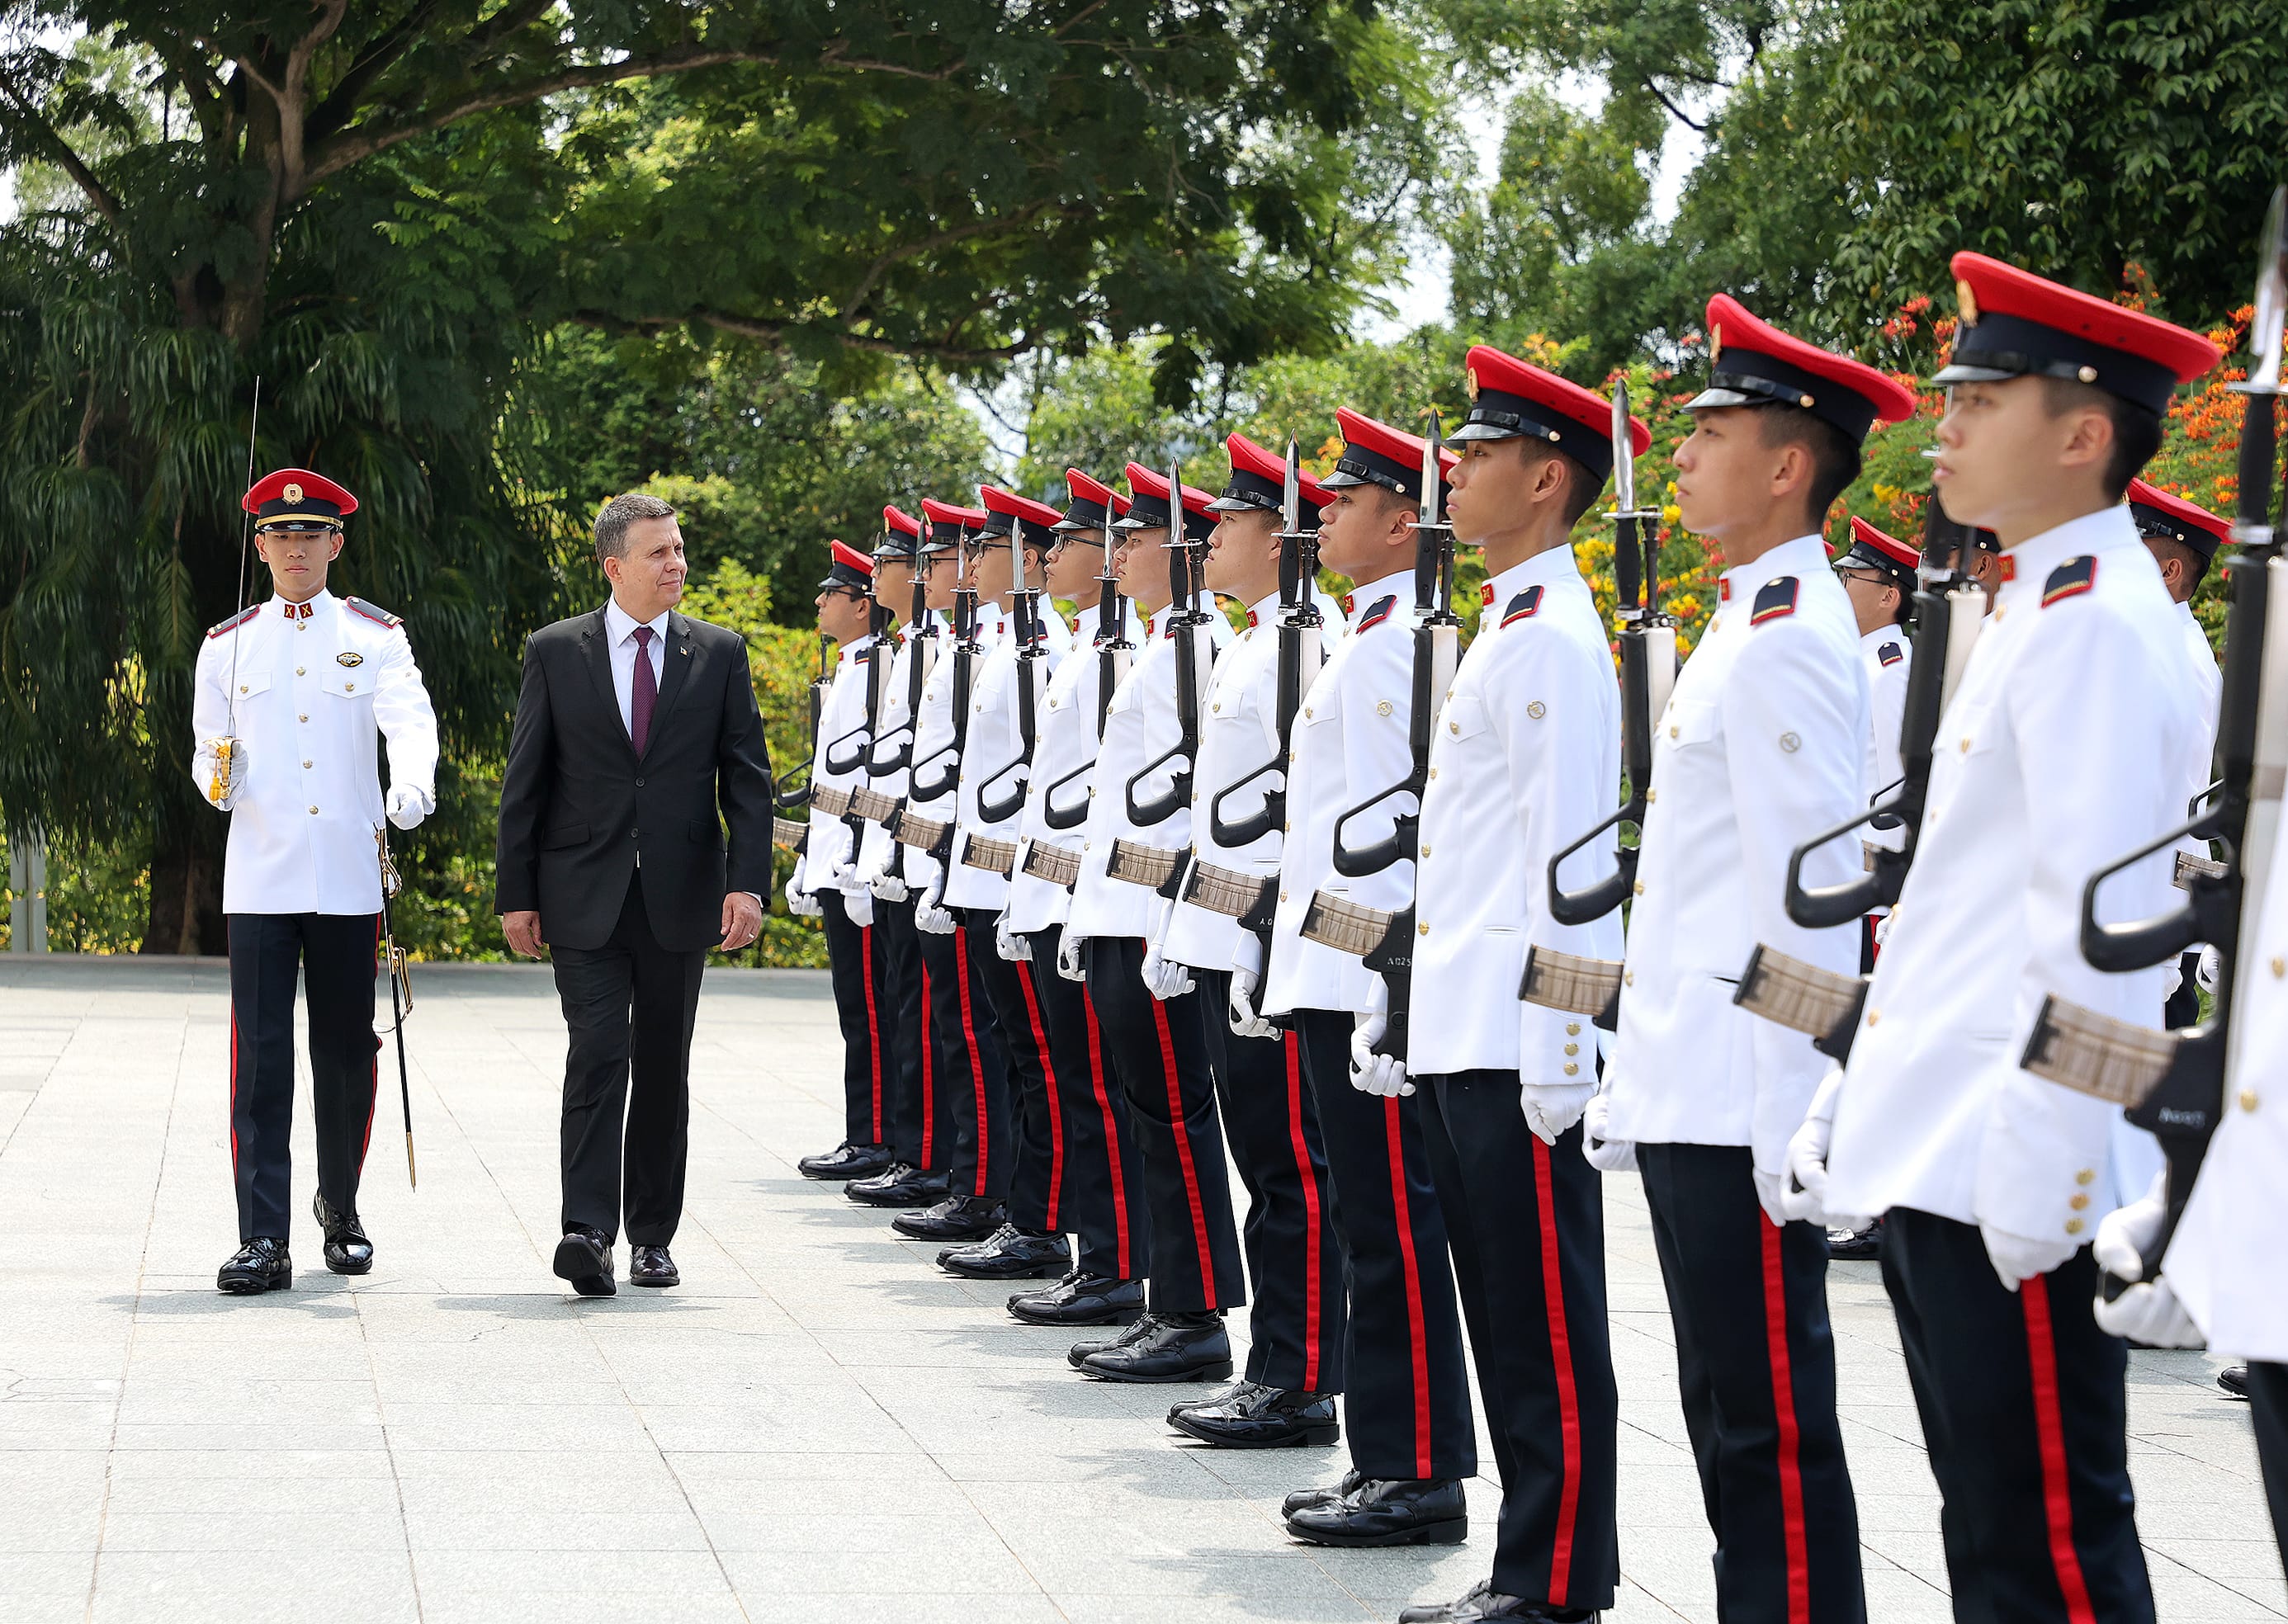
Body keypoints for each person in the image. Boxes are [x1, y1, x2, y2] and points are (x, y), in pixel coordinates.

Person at [1806, 253, 2222, 1622]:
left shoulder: (2099, 626)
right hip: (1947, 1142)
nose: (1946, 425)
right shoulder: (2040, 609)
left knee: (2047, 1539)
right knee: (1992, 1533)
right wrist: (1858, 1094)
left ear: (2081, 434)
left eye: (1980, 400)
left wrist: (2046, 1182)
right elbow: (1960, 908)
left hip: (2009, 1160)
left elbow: (2104, 943)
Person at [1595, 293, 1916, 1622]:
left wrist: (1799, 1098)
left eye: (1712, 429)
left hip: (1746, 1095)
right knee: (1724, 1407)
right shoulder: (1743, 620)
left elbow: (1816, 903)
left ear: (1788, 465)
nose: (1681, 451)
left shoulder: (1790, 640)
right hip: (1692, 1086)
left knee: (1767, 1424)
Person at [1386, 349, 1640, 1624]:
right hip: (1464, 1026)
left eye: (1480, 453)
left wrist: (1562, 1045)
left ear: (1546, 479)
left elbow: (1571, 856)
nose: (1454, 468)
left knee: (1543, 1322)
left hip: (1513, 1037)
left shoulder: (1554, 638)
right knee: (1503, 1309)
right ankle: (1530, 1563)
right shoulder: (1509, 621)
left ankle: (1557, 1578)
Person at [1263, 408, 1478, 1551]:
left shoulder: (1404, 645)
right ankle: (1386, 1452)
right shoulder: (1368, 632)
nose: (1326, 515)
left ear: (1405, 523)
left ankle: (1422, 1467)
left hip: (1367, 978)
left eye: (1345, 500)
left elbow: (1405, 834)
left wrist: (1387, 986)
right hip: (1330, 967)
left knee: (1393, 1229)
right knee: (1364, 1223)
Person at [495, 491, 773, 1296]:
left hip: (682, 898)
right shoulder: (556, 651)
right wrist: (517, 893)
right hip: (582, 893)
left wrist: (747, 886)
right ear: (615, 566)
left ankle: (652, 1235)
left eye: (680, 550)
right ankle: (587, 1230)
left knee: (661, 1065)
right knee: (596, 1054)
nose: (677, 564)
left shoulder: (717, 654)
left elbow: (747, 785)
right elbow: (527, 780)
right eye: (659, 553)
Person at [194, 468, 438, 1293]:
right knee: (259, 1062)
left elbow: (410, 720)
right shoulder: (227, 645)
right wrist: (215, 778)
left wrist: (411, 786)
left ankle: (341, 1207)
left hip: (343, 874)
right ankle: (261, 1238)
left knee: (343, 1052)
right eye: (279, 536)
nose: (294, 549)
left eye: (310, 536)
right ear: (258, 546)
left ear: (336, 543)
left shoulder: (373, 635)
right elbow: (207, 752)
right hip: (261, 878)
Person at [1152, 432, 1348, 1449]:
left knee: (1288, 1171)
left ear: (1282, 539)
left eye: (1232, 519)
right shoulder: (1251, 640)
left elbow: (1292, 816)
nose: (1213, 533)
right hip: (1229, 934)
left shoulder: (1307, 642)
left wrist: (1259, 946)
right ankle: (1279, 1364)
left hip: (1266, 944)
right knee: (1263, 1163)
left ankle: (1301, 1375)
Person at [1060, 462, 1247, 1382]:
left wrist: (1173, 920)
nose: (1117, 554)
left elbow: (1191, 806)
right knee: (1148, 1113)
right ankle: (1166, 1297)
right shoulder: (1161, 644)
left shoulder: (1198, 647)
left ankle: (1193, 1311)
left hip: (1154, 918)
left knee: (1174, 1117)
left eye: (1133, 540)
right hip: (1119, 910)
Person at [1000, 471, 1156, 1329]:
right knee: (1073, 1084)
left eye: (1073, 543)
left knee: (1106, 1095)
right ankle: (1102, 1257)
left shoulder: (1124, 648)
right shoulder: (1094, 649)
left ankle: (1117, 1264)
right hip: (1071, 896)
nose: (1050, 556)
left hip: (1108, 903)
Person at [935, 484, 1081, 1281]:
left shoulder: (1045, 646)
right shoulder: (1006, 644)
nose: (967, 567)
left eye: (984, 551)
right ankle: (1025, 1211)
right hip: (991, 878)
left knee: (1039, 1062)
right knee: (1015, 1052)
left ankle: (1040, 1217)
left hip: (1024, 884)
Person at [886, 501, 1014, 1244]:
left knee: (981, 1039)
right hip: (952, 867)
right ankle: (960, 1177)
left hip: (990, 877)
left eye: (967, 553)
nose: (954, 570)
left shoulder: (1016, 647)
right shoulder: (969, 644)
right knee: (945, 1029)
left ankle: (977, 1187)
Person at [844, 506, 958, 1211]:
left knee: (939, 1025)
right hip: (903, 859)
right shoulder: (912, 648)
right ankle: (918, 1154)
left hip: (941, 864)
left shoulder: (944, 648)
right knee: (908, 1013)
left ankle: (933, 1161)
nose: (899, 573)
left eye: (913, 561)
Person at [1825, 513, 1920, 1262]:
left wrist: (1875, 890)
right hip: (1850, 883)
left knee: (1864, 1042)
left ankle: (1875, 1208)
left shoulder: (1890, 671)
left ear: (1889, 595)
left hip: (1869, 887)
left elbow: (1889, 797)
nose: (1839, 588)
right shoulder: (1861, 662)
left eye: (1851, 578)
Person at [790, 541, 896, 1183]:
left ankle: (878, 1136)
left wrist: (855, 861)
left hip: (860, 864)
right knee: (855, 1009)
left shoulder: (881, 668)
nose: (821, 601)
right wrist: (812, 860)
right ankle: (867, 1130)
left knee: (874, 1010)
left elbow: (875, 783)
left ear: (862, 606)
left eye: (833, 592)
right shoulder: (851, 670)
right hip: (836, 861)